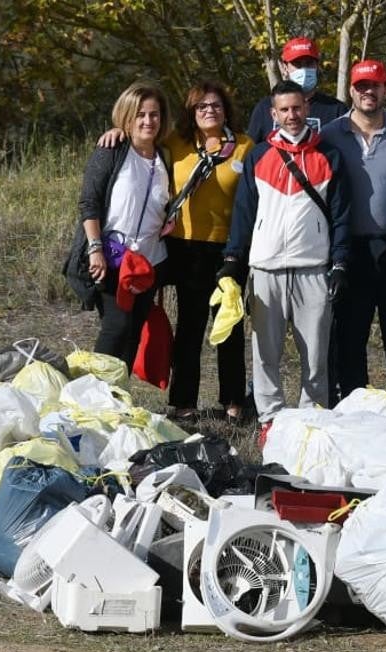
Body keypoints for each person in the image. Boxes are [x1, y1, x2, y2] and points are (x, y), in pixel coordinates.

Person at [222, 81, 349, 445]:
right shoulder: (259, 155)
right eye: (284, 110)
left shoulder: (330, 154)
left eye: (297, 108)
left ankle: (311, 421)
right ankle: (270, 421)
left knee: (316, 355)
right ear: (273, 114)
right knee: (265, 354)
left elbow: (342, 216)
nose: (292, 116)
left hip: (313, 268)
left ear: (306, 109)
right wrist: (233, 260)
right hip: (266, 269)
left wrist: (340, 262)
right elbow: (244, 214)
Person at [321, 59, 386, 399]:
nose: (368, 91)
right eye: (361, 85)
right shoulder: (331, 135)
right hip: (351, 248)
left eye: (375, 85)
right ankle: (355, 404)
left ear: (385, 90)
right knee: (351, 333)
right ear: (351, 90)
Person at [162, 82, 255, 422]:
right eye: (201, 106)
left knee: (229, 326)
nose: (209, 111)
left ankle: (233, 401)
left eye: (215, 105)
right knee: (190, 326)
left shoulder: (243, 146)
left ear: (226, 109)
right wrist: (116, 130)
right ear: (192, 111)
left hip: (228, 250)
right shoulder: (177, 143)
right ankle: (184, 401)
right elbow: (139, 142)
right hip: (186, 248)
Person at [76, 81, 174, 370]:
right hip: (113, 257)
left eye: (154, 114)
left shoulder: (166, 155)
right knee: (116, 327)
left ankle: (118, 398)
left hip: (149, 262)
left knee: (133, 332)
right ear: (127, 117)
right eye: (140, 114)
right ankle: (90, 393)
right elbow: (88, 203)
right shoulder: (113, 149)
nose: (147, 121)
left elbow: (168, 201)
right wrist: (95, 249)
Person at [246, 37, 347, 143]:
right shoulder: (264, 108)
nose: (303, 69)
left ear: (317, 66)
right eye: (297, 64)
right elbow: (252, 151)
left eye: (309, 63)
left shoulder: (337, 110)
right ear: (285, 67)